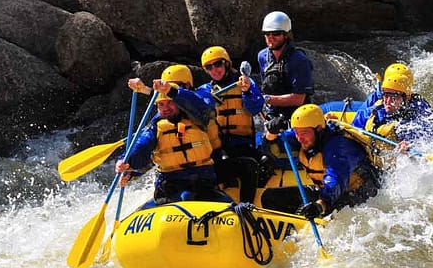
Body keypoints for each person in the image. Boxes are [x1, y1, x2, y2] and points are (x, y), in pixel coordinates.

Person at [116, 65, 231, 208]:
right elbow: (145, 146)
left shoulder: (200, 108)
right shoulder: (158, 123)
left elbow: (201, 107)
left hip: (204, 177)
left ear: (186, 85)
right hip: (171, 185)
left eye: (172, 90)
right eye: (161, 103)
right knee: (185, 196)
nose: (167, 104)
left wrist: (170, 91)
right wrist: (127, 162)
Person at [265, 104, 380, 218]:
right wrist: (272, 133)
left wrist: (320, 206)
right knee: (271, 197)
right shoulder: (306, 134)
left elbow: (335, 181)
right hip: (326, 193)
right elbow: (274, 147)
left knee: (317, 210)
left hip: (358, 196)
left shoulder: (339, 147)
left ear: (319, 129)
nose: (299, 138)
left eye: (303, 133)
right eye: (296, 133)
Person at [196, 46, 268, 202]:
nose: (214, 70)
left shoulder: (244, 83)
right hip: (218, 146)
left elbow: (256, 107)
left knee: (265, 162)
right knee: (223, 161)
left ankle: (251, 204)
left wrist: (247, 91)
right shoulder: (204, 91)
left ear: (226, 64)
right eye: (209, 67)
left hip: (243, 143)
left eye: (218, 64)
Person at [352, 62, 433, 152]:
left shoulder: (416, 114)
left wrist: (412, 145)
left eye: (394, 96)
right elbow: (353, 128)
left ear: (406, 98)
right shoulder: (373, 110)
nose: (388, 101)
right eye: (386, 95)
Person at [257, 11, 314, 121]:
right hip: (273, 115)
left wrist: (266, 99)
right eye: (267, 33)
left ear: (286, 35)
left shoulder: (299, 60)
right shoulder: (262, 56)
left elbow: (298, 99)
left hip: (298, 116)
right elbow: (266, 88)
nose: (271, 37)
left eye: (276, 33)